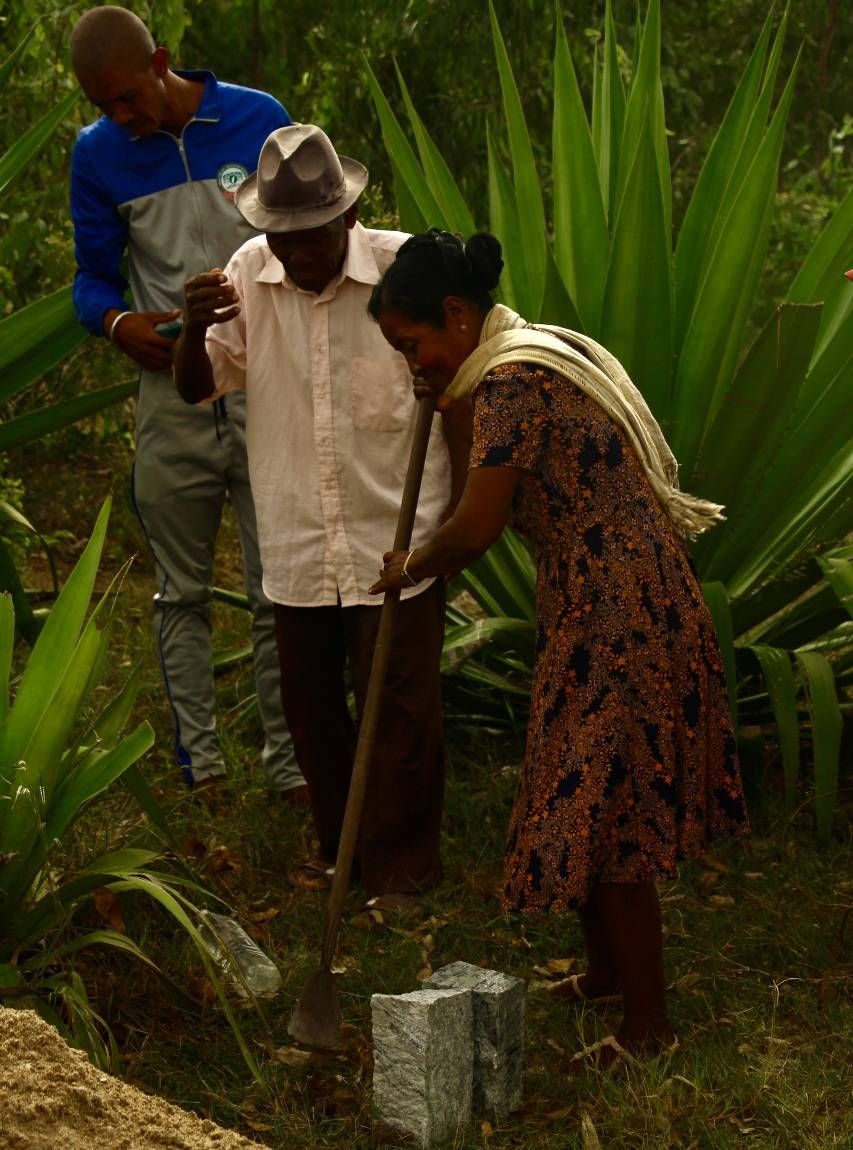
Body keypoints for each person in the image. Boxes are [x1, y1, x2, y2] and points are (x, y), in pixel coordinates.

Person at [369, 230, 749, 1067]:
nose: (412, 365)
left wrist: (410, 566)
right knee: (573, 786)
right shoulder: (518, 362)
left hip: (618, 612)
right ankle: (607, 975)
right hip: (605, 599)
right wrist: (438, 391)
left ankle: (647, 1029)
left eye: (414, 344)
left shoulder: (510, 382)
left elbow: (474, 525)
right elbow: (475, 469)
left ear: (458, 315)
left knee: (607, 812)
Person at [173, 126, 466, 906]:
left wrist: (462, 514)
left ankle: (403, 872)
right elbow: (198, 388)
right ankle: (345, 854)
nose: (295, 254)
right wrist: (192, 328)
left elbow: (471, 374)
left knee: (401, 706)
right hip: (297, 532)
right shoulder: (246, 274)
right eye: (280, 238)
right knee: (312, 710)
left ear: (347, 219)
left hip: (393, 530)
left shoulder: (406, 271)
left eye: (310, 238)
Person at [68, 6, 306, 803]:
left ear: (161, 60)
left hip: (266, 382)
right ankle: (200, 766)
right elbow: (92, 277)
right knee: (182, 588)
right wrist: (114, 321)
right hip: (172, 388)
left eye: (129, 98)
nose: (121, 118)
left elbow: (309, 234)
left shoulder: (256, 119)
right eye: (104, 107)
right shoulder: (98, 156)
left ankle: (290, 764)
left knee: (279, 583)